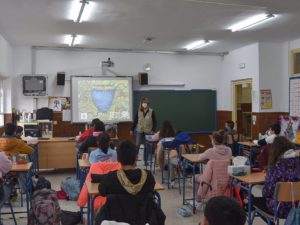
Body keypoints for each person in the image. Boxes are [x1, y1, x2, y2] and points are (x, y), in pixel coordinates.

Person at [95, 140, 165, 225]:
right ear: (136, 157)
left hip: (115, 221)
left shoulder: (111, 178)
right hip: (144, 221)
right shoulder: (148, 177)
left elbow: (101, 190)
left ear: (118, 158)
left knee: (98, 211)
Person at [253, 136, 300, 218]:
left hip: (278, 209)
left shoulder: (276, 167)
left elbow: (266, 192)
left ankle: (272, 222)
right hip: (296, 207)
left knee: (252, 200)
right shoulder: (298, 163)